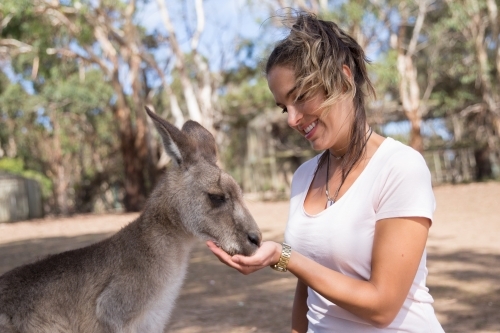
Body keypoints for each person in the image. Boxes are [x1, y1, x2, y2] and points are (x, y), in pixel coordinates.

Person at [207, 12, 445, 333]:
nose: (292, 119)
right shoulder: (304, 176)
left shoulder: (400, 167)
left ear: (344, 78)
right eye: (283, 107)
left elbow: (382, 306)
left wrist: (283, 257)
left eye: (300, 97)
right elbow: (309, 283)